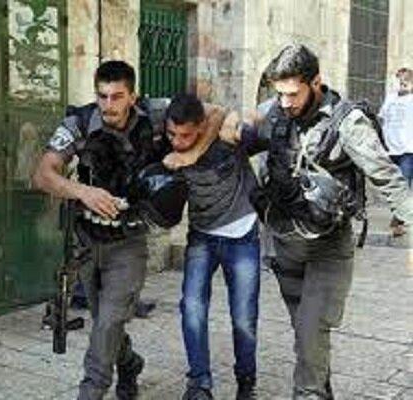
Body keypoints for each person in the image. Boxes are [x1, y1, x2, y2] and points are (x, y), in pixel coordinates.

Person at [228, 44, 413, 399]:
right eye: (279, 94)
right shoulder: (275, 112)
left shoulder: (347, 123)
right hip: (285, 246)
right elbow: (237, 139)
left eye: (293, 94)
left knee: (311, 333)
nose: (285, 103)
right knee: (306, 338)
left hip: (328, 248)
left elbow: (387, 177)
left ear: (316, 83)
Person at [32, 60, 170, 400]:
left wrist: (185, 157)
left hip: (129, 241)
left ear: (132, 96)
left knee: (108, 322)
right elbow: (43, 174)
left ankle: (91, 390)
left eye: (117, 96)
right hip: (87, 241)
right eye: (102, 96)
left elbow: (209, 114)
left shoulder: (156, 116)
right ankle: (130, 363)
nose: (108, 105)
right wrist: (83, 192)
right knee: (105, 323)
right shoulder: (79, 122)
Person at [162, 94, 265, 400]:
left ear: (201, 127)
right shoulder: (165, 136)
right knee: (192, 308)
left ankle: (246, 382)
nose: (177, 142)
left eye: (186, 135)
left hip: (242, 234)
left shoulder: (226, 136)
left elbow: (247, 125)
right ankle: (199, 384)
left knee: (243, 316)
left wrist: (246, 120)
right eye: (172, 134)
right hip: (202, 235)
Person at [379, 67, 413, 235]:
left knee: (403, 185)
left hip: (408, 150)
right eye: (399, 80)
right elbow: (382, 118)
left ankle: (397, 221)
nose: (402, 83)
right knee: (392, 186)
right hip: (391, 150)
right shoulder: (390, 98)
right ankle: (399, 216)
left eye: (406, 81)